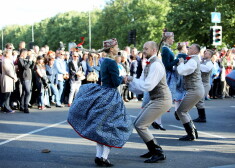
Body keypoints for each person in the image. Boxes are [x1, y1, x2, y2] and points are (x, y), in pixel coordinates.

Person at [67, 38, 133, 167]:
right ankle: (103, 157)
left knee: (100, 125)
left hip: (103, 93)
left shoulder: (104, 61)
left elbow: (103, 78)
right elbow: (115, 82)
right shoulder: (112, 62)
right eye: (117, 46)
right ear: (112, 48)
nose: (118, 48)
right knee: (113, 126)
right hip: (111, 96)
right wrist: (124, 79)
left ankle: (99, 156)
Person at [128, 41, 172, 163]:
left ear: (154, 50)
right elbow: (140, 84)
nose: (143, 50)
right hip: (156, 99)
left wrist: (132, 79)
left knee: (141, 125)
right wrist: (129, 83)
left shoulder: (156, 65)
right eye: (143, 48)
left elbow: (147, 86)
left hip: (162, 99)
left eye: (146, 49)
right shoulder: (148, 64)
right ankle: (152, 149)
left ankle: (158, 152)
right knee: (138, 123)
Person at [176, 44, 204, 141]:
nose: (188, 49)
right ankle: (193, 132)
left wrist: (181, 63)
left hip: (195, 90)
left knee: (181, 111)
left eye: (191, 48)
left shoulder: (193, 61)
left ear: (196, 51)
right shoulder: (193, 59)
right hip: (195, 89)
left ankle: (191, 134)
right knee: (183, 111)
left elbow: (182, 71)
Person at [194, 49, 214, 122]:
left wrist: (198, 64)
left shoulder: (210, 63)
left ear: (210, 56)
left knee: (200, 99)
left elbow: (205, 69)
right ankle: (201, 117)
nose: (205, 54)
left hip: (205, 84)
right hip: (200, 83)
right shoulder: (202, 62)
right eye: (205, 53)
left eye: (207, 53)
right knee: (198, 100)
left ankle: (202, 117)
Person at [17, 48, 34, 113]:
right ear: (22, 53)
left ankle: (22, 106)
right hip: (24, 77)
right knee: (27, 92)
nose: (27, 54)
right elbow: (25, 67)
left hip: (28, 76)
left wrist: (32, 61)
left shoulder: (25, 59)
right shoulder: (20, 60)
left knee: (24, 92)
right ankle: (26, 107)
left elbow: (31, 67)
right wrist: (29, 61)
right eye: (26, 53)